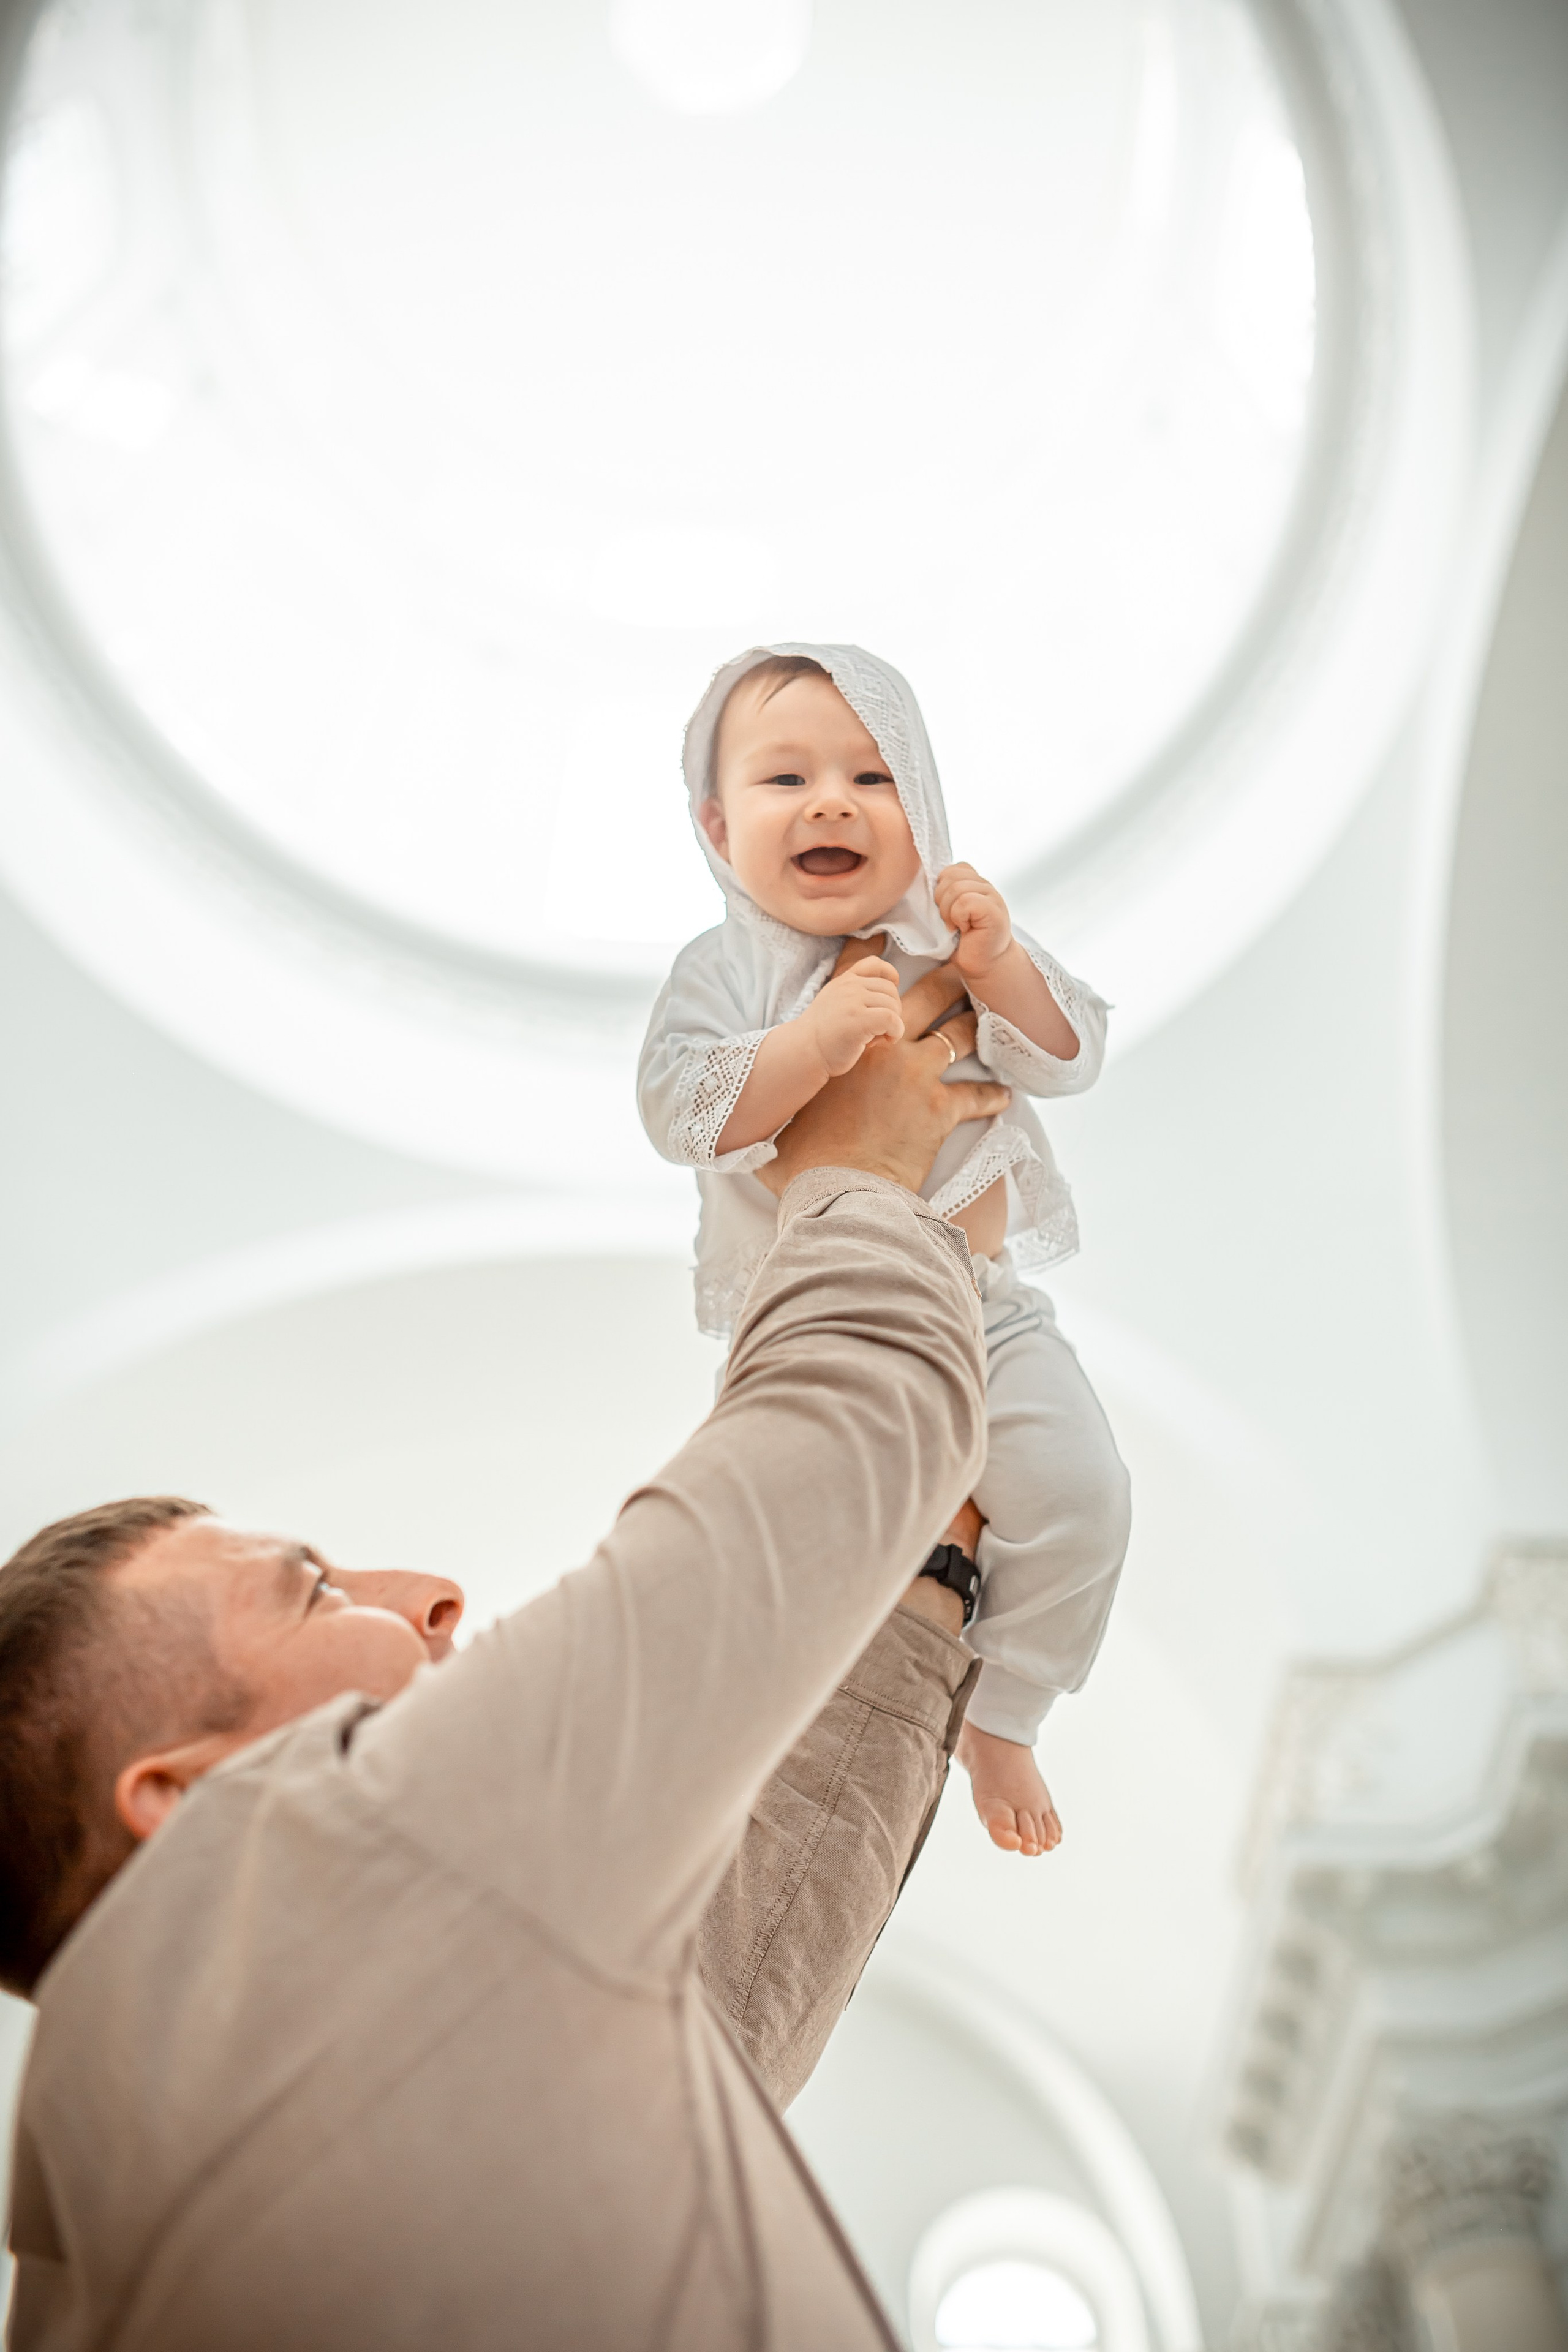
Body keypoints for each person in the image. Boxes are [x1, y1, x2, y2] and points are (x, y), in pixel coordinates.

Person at [1, 971, 1007, 2351]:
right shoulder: (335, 1854)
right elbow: (846, 1424)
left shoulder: (110, 2252)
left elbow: (725, 1999)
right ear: (175, 1802)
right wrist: (853, 1179)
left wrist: (921, 1586)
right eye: (310, 1591)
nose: (428, 1596)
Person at [639, 644, 1133, 1858]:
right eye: (782, 779)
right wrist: (805, 1047)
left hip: (988, 1315)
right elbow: (678, 1110)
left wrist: (996, 965)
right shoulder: (728, 971)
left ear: (925, 808)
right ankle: (767, 1754)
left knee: (1081, 1497)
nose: (829, 802)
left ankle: (1004, 1709)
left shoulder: (947, 942)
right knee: (792, 1530)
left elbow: (1070, 1058)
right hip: (819, 1324)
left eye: (872, 776)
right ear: (714, 824)